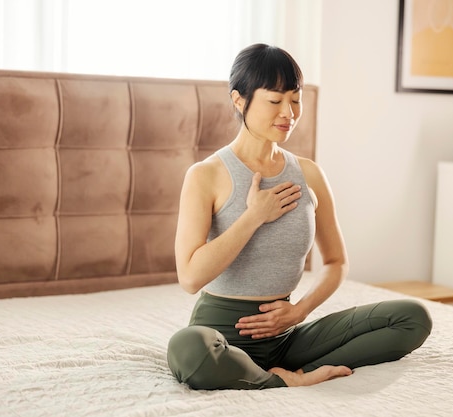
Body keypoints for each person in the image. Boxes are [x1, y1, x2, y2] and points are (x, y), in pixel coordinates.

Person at [167, 43, 432, 390]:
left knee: (413, 318)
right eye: (275, 101)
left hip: (286, 337)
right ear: (239, 100)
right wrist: (253, 216)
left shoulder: (309, 174)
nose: (288, 112)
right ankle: (283, 381)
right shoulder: (206, 174)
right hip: (221, 337)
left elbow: (336, 262)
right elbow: (189, 278)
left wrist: (301, 310)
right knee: (186, 348)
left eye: (295, 99)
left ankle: (288, 375)